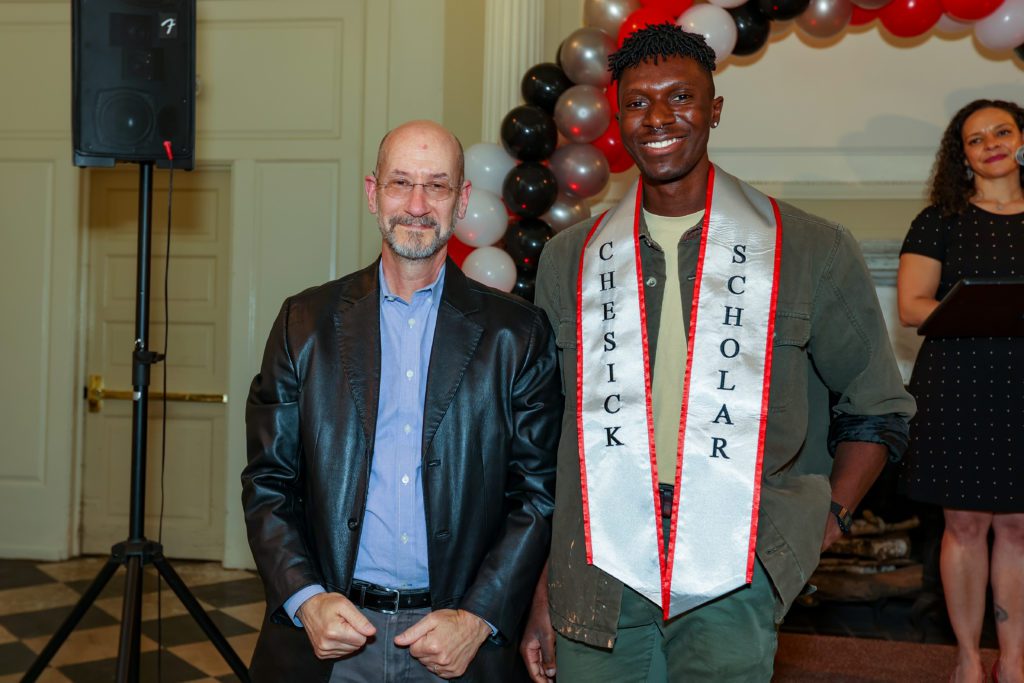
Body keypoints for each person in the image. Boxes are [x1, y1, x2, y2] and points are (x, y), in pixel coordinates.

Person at [522, 25, 915, 682]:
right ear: (618, 119)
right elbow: (545, 439)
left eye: (681, 97)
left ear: (715, 109)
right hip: (596, 562)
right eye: (639, 103)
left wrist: (828, 516)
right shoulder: (572, 259)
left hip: (736, 559)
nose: (660, 118)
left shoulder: (809, 247)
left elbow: (876, 404)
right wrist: (541, 584)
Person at [242, 120, 561, 682]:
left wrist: (479, 617)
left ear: (461, 200)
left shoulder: (519, 334)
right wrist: (304, 597)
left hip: (458, 644)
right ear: (373, 193)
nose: (417, 204)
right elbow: (268, 481)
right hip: (331, 640)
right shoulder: (305, 323)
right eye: (400, 183)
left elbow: (537, 494)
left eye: (437, 185)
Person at [897, 99, 1024, 683]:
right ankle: (969, 660)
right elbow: (910, 305)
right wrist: (979, 308)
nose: (992, 143)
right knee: (966, 525)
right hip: (959, 382)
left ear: (1021, 139)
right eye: (976, 139)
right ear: (962, 155)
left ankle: (1015, 661)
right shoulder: (939, 220)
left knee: (1020, 526)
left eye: (1002, 131)